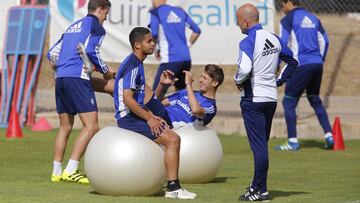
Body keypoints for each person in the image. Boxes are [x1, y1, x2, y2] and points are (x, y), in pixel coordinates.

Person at [113, 27, 196, 200]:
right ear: (137, 45)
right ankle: (173, 188)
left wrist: (152, 112)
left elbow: (141, 100)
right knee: (173, 139)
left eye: (153, 40)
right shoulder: (133, 65)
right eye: (149, 41)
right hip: (127, 118)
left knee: (171, 135)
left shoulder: (136, 63)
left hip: (134, 115)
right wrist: (150, 118)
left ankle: (170, 185)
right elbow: (128, 99)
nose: (153, 44)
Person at [234, 4, 298, 201]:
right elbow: (293, 62)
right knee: (262, 145)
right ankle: (257, 186)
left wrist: (237, 80)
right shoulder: (274, 38)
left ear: (245, 21)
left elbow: (244, 70)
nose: (238, 25)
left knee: (259, 147)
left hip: (253, 100)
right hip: (270, 99)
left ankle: (260, 190)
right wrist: (277, 81)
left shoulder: (247, 41)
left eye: (238, 21)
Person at [47, 0, 115, 184]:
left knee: (65, 127)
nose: (105, 19)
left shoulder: (73, 26)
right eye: (105, 15)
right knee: (91, 126)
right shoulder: (96, 26)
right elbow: (92, 51)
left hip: (61, 78)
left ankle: (56, 172)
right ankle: (71, 170)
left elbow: (52, 53)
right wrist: (107, 72)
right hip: (77, 78)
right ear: (100, 9)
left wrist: (61, 67)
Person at [276, 0, 334, 151]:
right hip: (317, 63)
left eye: (282, 5)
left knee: (289, 102)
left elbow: (281, 44)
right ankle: (329, 135)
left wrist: (276, 66)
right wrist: (319, 60)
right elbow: (325, 41)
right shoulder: (313, 18)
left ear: (288, 3)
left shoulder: (287, 20)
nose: (282, 9)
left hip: (300, 64)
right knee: (314, 98)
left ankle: (292, 141)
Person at [148, 0, 201, 95]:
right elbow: (197, 30)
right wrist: (187, 46)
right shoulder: (180, 11)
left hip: (170, 59)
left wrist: (156, 49)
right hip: (186, 58)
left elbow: (154, 34)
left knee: (156, 94)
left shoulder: (155, 12)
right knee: (181, 93)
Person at [151, 64, 224, 129]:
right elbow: (157, 102)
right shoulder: (186, 92)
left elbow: (196, 111)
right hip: (156, 114)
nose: (200, 80)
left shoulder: (210, 106)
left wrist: (188, 84)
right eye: (201, 77)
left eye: (204, 78)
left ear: (214, 83)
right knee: (147, 95)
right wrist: (161, 84)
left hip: (166, 122)